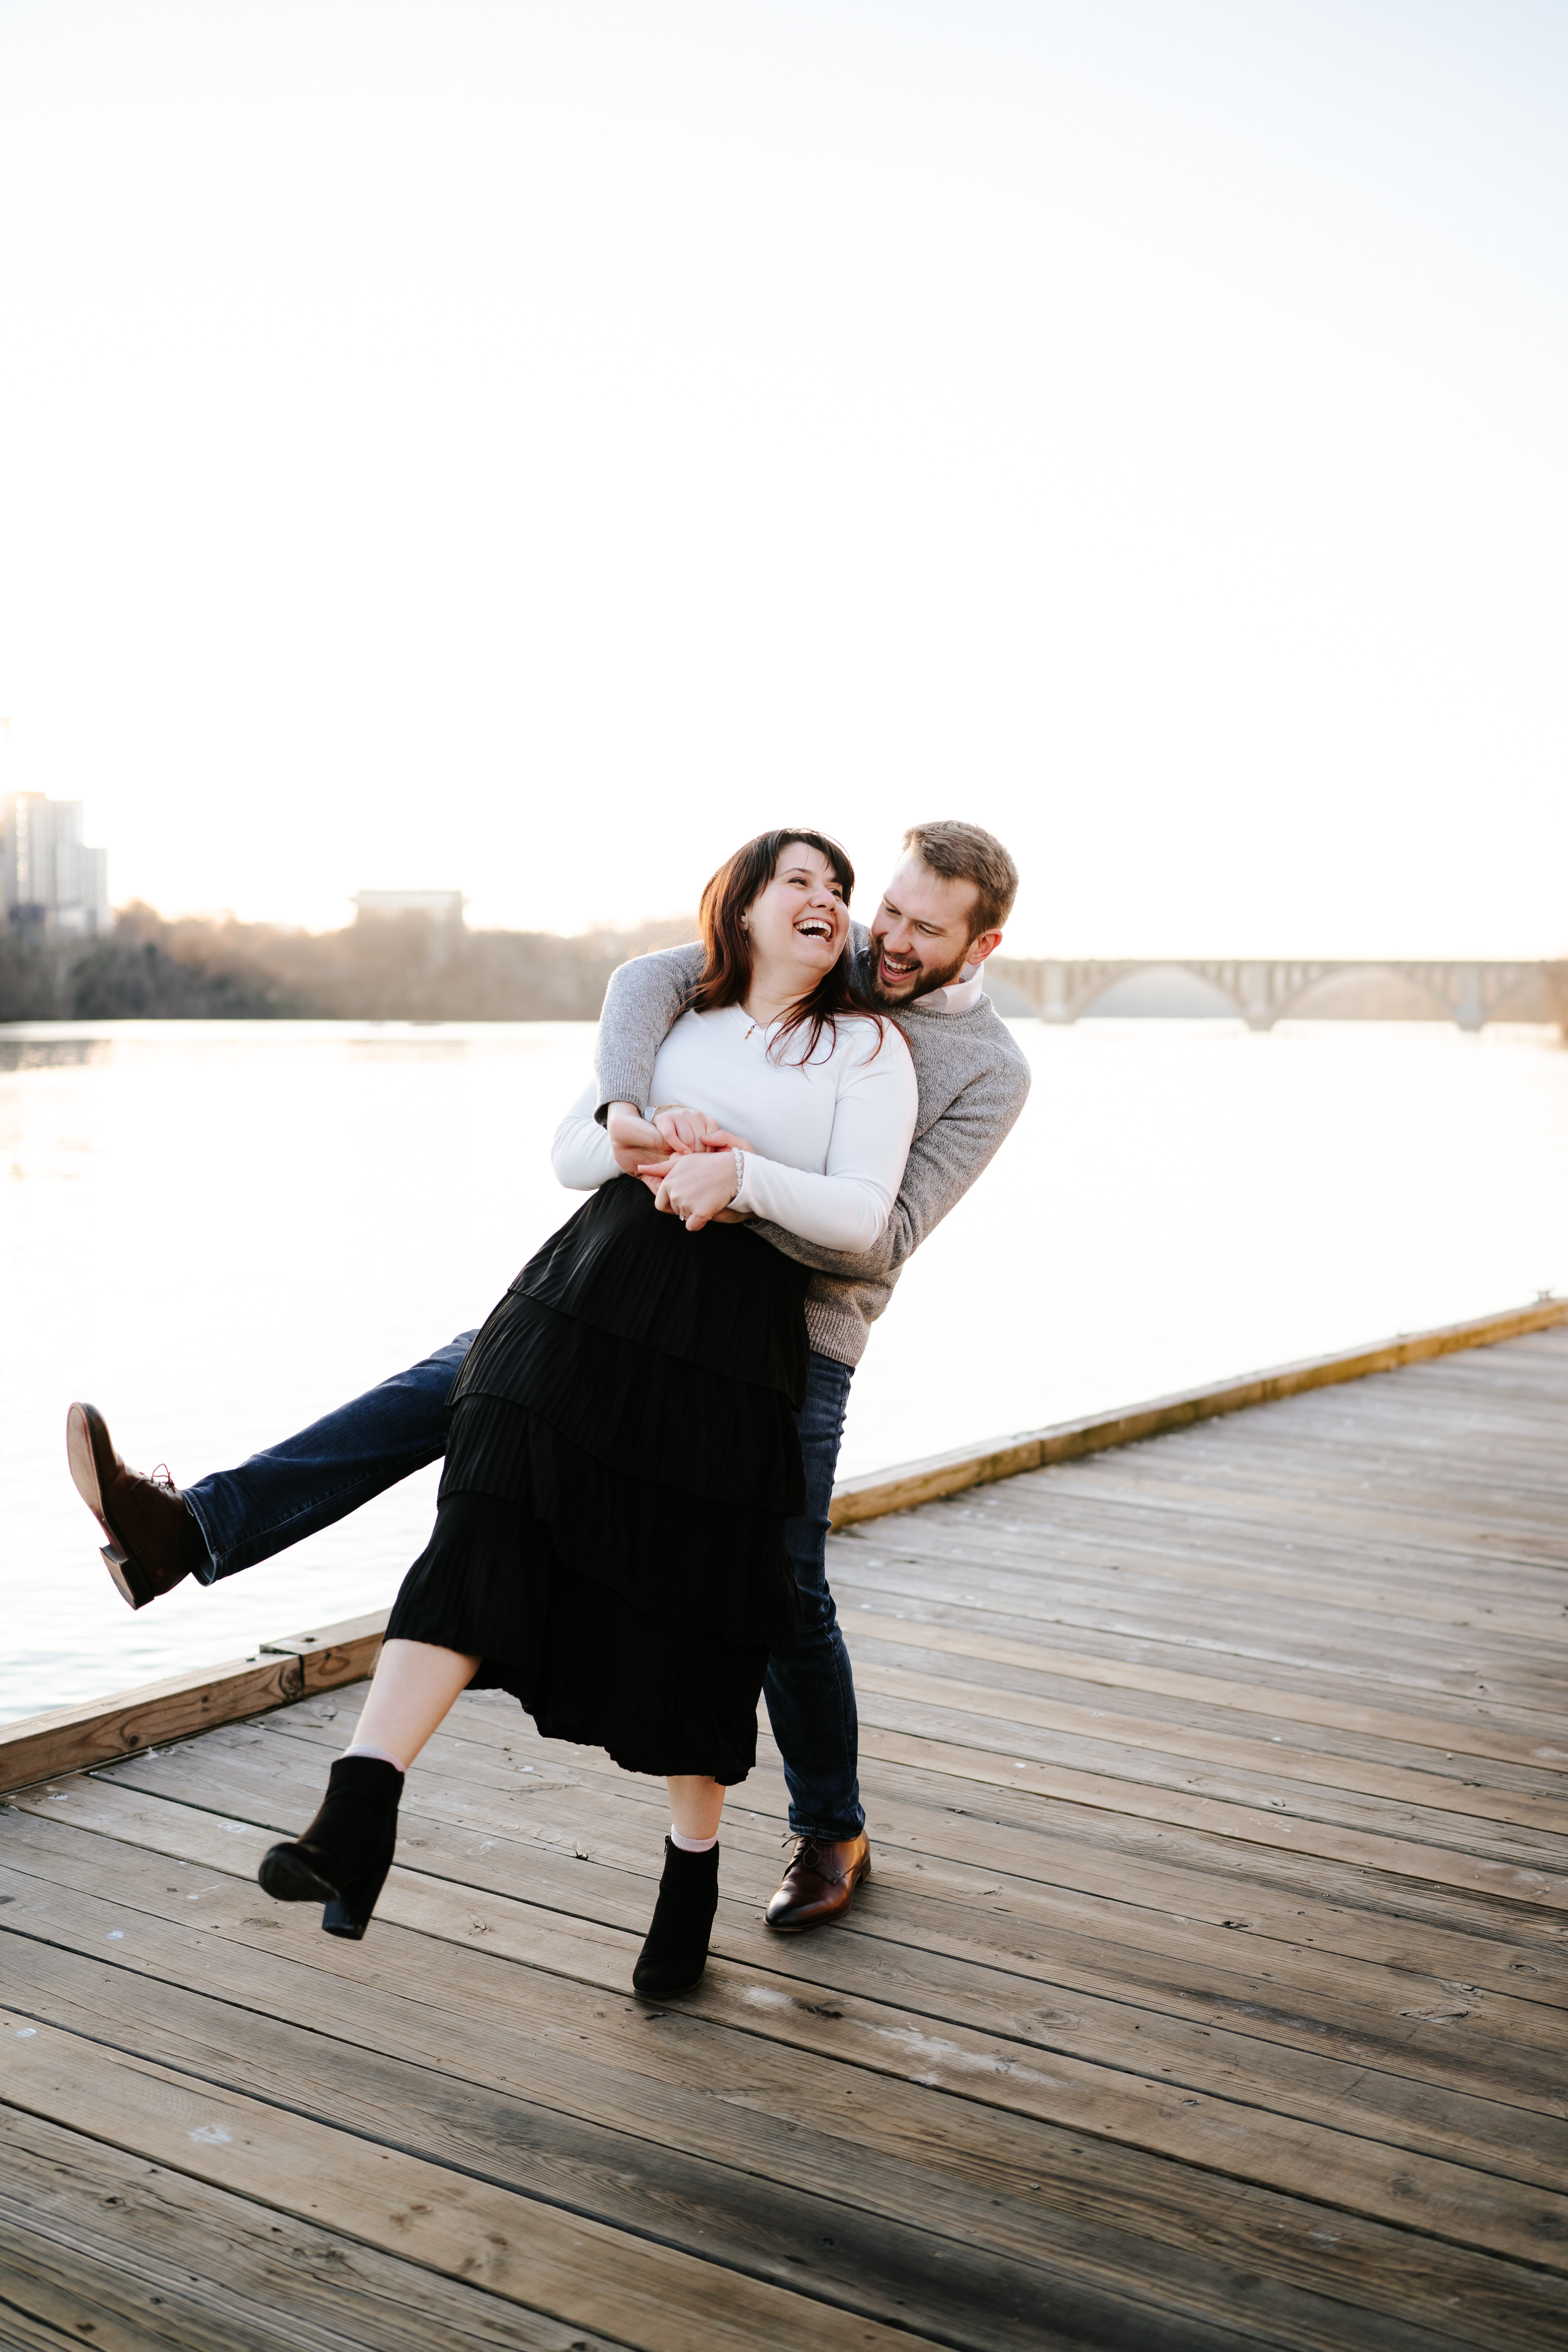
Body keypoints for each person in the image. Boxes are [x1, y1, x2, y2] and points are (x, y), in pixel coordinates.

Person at [67, 818, 1031, 1937]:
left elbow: (885, 1231)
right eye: (891, 911)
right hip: (634, 1286)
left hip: (796, 1341)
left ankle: (830, 1825)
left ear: (986, 942)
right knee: (464, 1386)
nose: (890, 940)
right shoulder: (831, 953)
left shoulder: (984, 1070)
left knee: (783, 1584)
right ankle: (195, 1529)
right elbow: (658, 976)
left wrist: (738, 1178)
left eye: (925, 929)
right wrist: (626, 1112)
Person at [265, 828, 917, 1994]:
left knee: (704, 1600)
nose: (829, 902)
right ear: (747, 907)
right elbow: (572, 1150)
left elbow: (866, 1217)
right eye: (801, 882)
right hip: (581, 1299)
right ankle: (360, 1806)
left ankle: (691, 1873)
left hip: (732, 1342)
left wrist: (742, 1172)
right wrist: (647, 1140)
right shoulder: (667, 1016)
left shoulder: (866, 1047)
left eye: (840, 889)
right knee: (485, 1514)